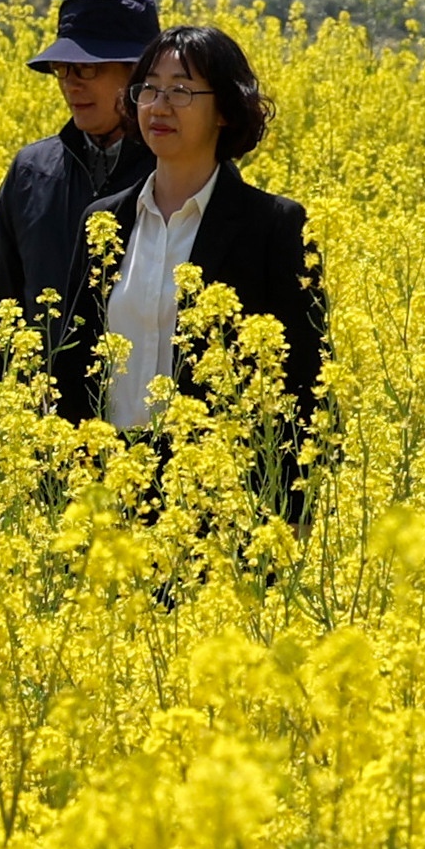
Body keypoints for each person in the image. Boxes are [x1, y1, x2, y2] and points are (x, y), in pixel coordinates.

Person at [104, 25, 327, 516]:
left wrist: (293, 516)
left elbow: (308, 380)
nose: (159, 106)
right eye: (149, 88)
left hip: (222, 497)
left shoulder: (274, 226)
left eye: (182, 90)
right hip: (109, 487)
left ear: (225, 110)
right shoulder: (104, 222)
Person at [0, 0, 161, 443]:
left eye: (86, 69)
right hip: (43, 438)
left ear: (138, 75)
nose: (70, 84)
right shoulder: (33, 170)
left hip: (149, 437)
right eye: (62, 69)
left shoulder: (177, 174)